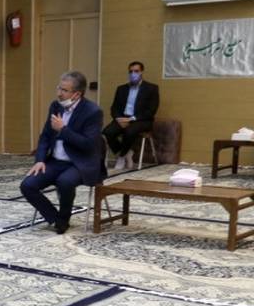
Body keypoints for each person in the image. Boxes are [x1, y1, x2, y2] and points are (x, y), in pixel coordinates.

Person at [20, 71, 104, 234]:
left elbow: (88, 145)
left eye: (64, 90)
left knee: (64, 182)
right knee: (27, 185)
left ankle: (63, 219)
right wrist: (40, 160)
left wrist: (63, 130)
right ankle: (56, 219)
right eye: (59, 88)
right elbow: (45, 135)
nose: (59, 93)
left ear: (77, 94)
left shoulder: (93, 111)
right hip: (56, 161)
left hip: (80, 162)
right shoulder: (56, 105)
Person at [104, 60, 159, 169]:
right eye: (131, 71)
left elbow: (151, 110)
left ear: (142, 72)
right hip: (123, 118)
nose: (133, 74)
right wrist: (118, 118)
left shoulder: (151, 88)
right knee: (108, 132)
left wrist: (132, 119)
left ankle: (121, 157)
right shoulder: (121, 89)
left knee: (129, 131)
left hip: (141, 120)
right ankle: (126, 152)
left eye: (136, 71)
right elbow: (114, 107)